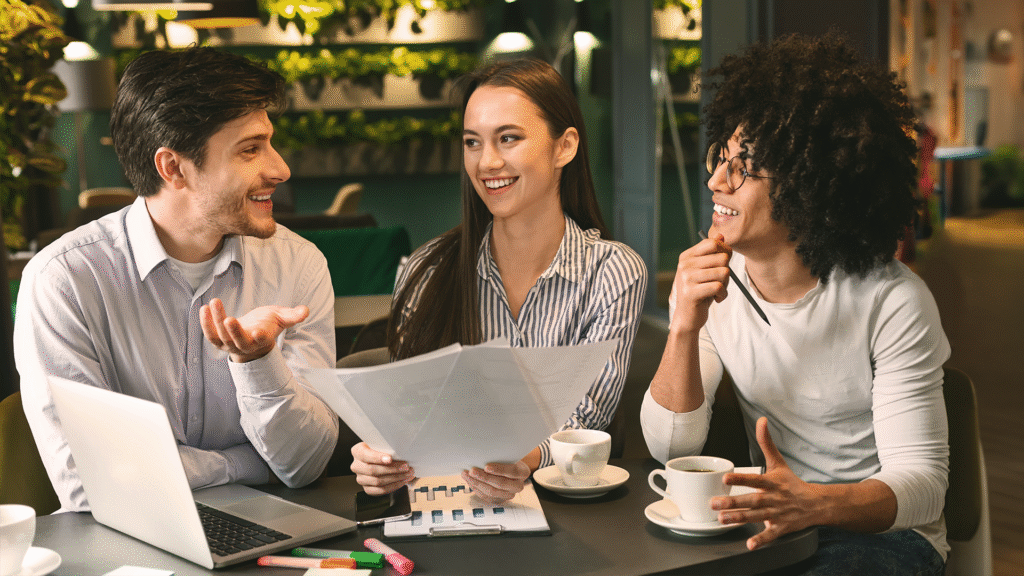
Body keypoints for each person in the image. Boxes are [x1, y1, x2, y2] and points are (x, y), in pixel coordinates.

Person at [641, 34, 950, 576]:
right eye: (721, 157)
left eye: (743, 166)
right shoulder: (714, 284)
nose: (716, 180)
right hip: (780, 529)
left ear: (808, 186)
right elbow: (670, 447)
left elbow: (923, 486)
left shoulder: (892, 301)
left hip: (886, 539)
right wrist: (684, 326)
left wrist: (813, 502)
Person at [16, 47, 339, 512]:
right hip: (133, 543)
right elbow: (91, 488)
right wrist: (241, 465)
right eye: (250, 149)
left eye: (269, 143)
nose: (280, 169)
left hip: (271, 531)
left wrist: (258, 364)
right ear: (173, 168)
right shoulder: (64, 282)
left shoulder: (297, 264)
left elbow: (304, 467)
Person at [350, 58, 647, 503]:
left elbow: (588, 414)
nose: (487, 162)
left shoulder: (613, 270)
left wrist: (524, 459)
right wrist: (380, 456)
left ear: (564, 147)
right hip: (446, 504)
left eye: (508, 138)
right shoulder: (426, 268)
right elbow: (411, 415)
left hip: (563, 512)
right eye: (473, 143)